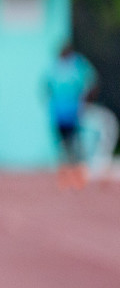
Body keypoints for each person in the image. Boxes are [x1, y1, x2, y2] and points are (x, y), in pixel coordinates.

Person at [45, 43, 98, 188]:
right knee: (62, 144)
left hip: (73, 112)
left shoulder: (78, 65)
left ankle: (79, 175)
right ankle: (65, 176)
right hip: (58, 112)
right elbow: (46, 86)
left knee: (75, 144)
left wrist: (85, 100)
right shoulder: (54, 67)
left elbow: (92, 82)